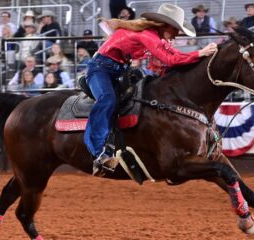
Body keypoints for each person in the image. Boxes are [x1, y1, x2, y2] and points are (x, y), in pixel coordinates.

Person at [84, 3, 217, 176]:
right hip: (100, 69)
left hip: (119, 70)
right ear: (166, 26)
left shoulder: (154, 37)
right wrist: (200, 53)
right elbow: (171, 59)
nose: (177, 34)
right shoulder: (148, 35)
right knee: (107, 99)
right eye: (176, 29)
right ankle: (98, 152)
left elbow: (162, 62)